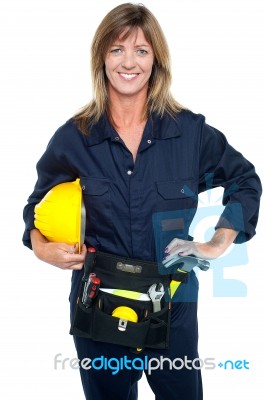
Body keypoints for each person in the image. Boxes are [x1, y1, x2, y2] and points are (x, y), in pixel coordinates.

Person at [22, 3, 262, 399]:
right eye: (117, 50)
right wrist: (42, 248)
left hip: (172, 304)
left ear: (157, 60)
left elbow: (244, 180)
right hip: (97, 302)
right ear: (101, 58)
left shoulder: (190, 134)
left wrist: (221, 240)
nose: (128, 62)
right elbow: (35, 207)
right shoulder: (74, 138)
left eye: (141, 50)